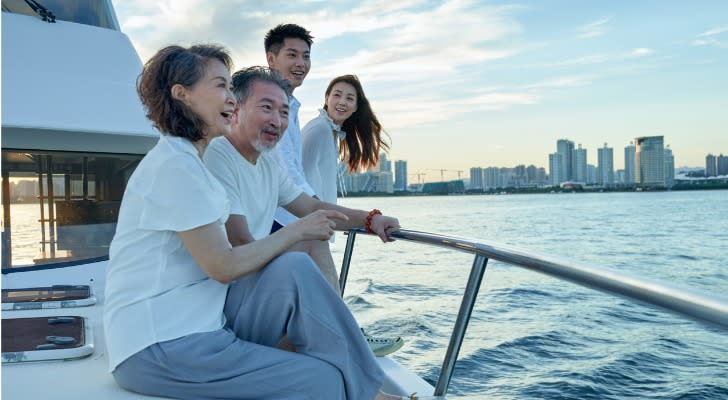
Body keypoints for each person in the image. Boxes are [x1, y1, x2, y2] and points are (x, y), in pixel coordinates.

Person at [103, 44, 423, 400]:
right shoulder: (179, 167)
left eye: (283, 111)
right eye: (221, 86)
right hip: (160, 344)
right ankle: (368, 391)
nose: (230, 99)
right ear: (183, 96)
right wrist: (299, 231)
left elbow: (308, 204)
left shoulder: (193, 161)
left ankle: (364, 385)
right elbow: (224, 264)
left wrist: (370, 219)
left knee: (297, 269)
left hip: (202, 323)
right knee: (324, 380)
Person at [263, 24, 404, 356]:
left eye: (306, 56)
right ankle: (347, 336)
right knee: (313, 246)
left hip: (299, 217)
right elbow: (296, 188)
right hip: (284, 222)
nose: (300, 62)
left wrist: (361, 218)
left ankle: (344, 335)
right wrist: (361, 219)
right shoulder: (309, 128)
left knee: (316, 263)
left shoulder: (294, 114)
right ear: (271, 59)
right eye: (291, 55)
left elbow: (293, 184)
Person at [301, 74, 388, 208]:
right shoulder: (320, 129)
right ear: (326, 98)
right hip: (303, 221)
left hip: (316, 220)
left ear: (355, 107)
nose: (342, 102)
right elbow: (300, 177)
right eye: (337, 95)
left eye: (349, 98)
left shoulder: (330, 131)